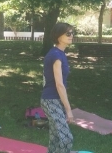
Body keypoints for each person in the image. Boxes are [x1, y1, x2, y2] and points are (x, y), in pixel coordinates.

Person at [41, 23, 75, 153]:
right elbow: (59, 84)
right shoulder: (55, 55)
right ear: (58, 35)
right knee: (66, 138)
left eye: (72, 33)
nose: (71, 36)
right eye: (68, 33)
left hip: (54, 99)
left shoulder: (59, 53)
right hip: (51, 100)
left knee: (55, 138)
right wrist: (69, 110)